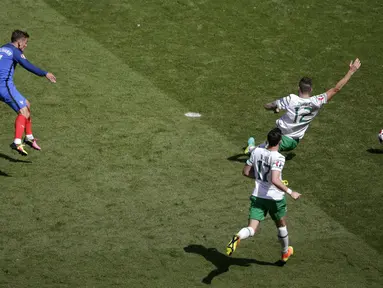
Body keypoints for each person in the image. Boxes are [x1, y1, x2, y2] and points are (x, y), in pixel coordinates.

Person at [245, 58, 361, 153]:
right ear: (311, 89)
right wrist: (351, 71)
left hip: (284, 138)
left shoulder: (291, 99)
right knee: (268, 143)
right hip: (292, 140)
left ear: (298, 88)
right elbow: (336, 89)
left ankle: (252, 150)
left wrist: (269, 107)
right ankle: (255, 148)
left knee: (262, 155)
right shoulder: (317, 101)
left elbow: (270, 105)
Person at [226, 128, 301, 263]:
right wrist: (291, 192)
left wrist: (262, 179)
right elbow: (274, 180)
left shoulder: (256, 152)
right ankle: (285, 253)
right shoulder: (279, 158)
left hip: (258, 196)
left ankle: (238, 236)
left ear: (267, 140)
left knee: (251, 228)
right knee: (281, 224)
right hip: (275, 198)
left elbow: (246, 172)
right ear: (280, 142)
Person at [0, 30, 56, 156]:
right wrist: (45, 73)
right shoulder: (15, 52)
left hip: (5, 85)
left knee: (27, 104)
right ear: (19, 42)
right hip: (3, 87)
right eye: (25, 42)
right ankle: (17, 142)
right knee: (23, 111)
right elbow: (27, 65)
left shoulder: (3, 48)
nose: (26, 45)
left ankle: (29, 137)